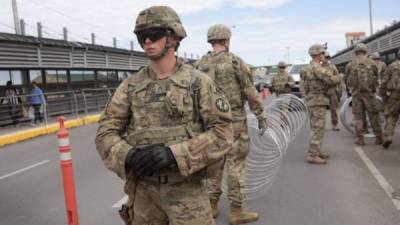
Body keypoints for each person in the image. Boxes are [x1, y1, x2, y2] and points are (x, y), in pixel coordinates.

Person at [95, 6, 234, 225]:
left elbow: (223, 133)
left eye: (154, 34)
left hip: (187, 194)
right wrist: (129, 155)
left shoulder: (199, 82)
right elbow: (105, 133)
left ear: (174, 37)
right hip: (144, 195)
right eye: (141, 36)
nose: (147, 41)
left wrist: (174, 154)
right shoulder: (130, 86)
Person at [195, 24, 267, 225]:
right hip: (233, 121)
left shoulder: (200, 64)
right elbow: (249, 91)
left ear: (211, 41)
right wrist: (260, 115)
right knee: (236, 165)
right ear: (227, 40)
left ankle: (211, 206)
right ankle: (236, 211)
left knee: (213, 166)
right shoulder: (235, 62)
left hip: (209, 123)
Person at [303, 44, 341, 164]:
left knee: (317, 127)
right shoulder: (317, 68)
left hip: (314, 100)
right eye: (323, 54)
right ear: (319, 55)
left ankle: (316, 151)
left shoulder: (310, 67)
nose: (324, 56)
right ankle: (312, 154)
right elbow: (330, 79)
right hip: (317, 100)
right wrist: (340, 76)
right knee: (318, 128)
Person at [344, 43, 382, 146]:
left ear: (355, 52)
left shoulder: (350, 64)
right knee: (374, 115)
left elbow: (347, 80)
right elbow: (376, 78)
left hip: (356, 95)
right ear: (366, 51)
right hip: (369, 94)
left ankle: (360, 139)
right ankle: (378, 137)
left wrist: (351, 89)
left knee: (358, 117)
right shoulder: (372, 63)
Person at [379, 49, 400, 149]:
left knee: (391, 115)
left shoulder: (392, 66)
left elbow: (384, 82)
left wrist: (383, 94)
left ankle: (388, 136)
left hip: (394, 95)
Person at [322, 52, 342, 131]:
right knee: (321, 110)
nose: (326, 59)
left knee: (333, 109)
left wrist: (339, 89)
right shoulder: (319, 67)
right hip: (322, 90)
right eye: (325, 57)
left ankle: (335, 124)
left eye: (328, 57)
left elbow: (338, 77)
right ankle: (321, 125)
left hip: (332, 90)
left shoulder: (332, 67)